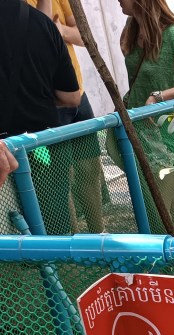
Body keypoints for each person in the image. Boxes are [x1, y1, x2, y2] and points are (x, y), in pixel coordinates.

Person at [115, 0, 174, 235]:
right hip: (139, 133)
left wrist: (159, 96)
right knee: (167, 211)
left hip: (168, 139)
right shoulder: (131, 30)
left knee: (156, 212)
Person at [0, 0, 81, 234]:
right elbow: (71, 97)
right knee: (51, 233)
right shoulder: (42, 23)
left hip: (7, 153)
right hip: (43, 148)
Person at [28, 0, 105, 232]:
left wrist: (61, 30)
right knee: (61, 176)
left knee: (90, 168)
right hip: (48, 101)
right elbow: (37, 37)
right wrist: (52, 29)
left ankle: (98, 233)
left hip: (77, 93)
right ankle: (73, 239)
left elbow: (84, 37)